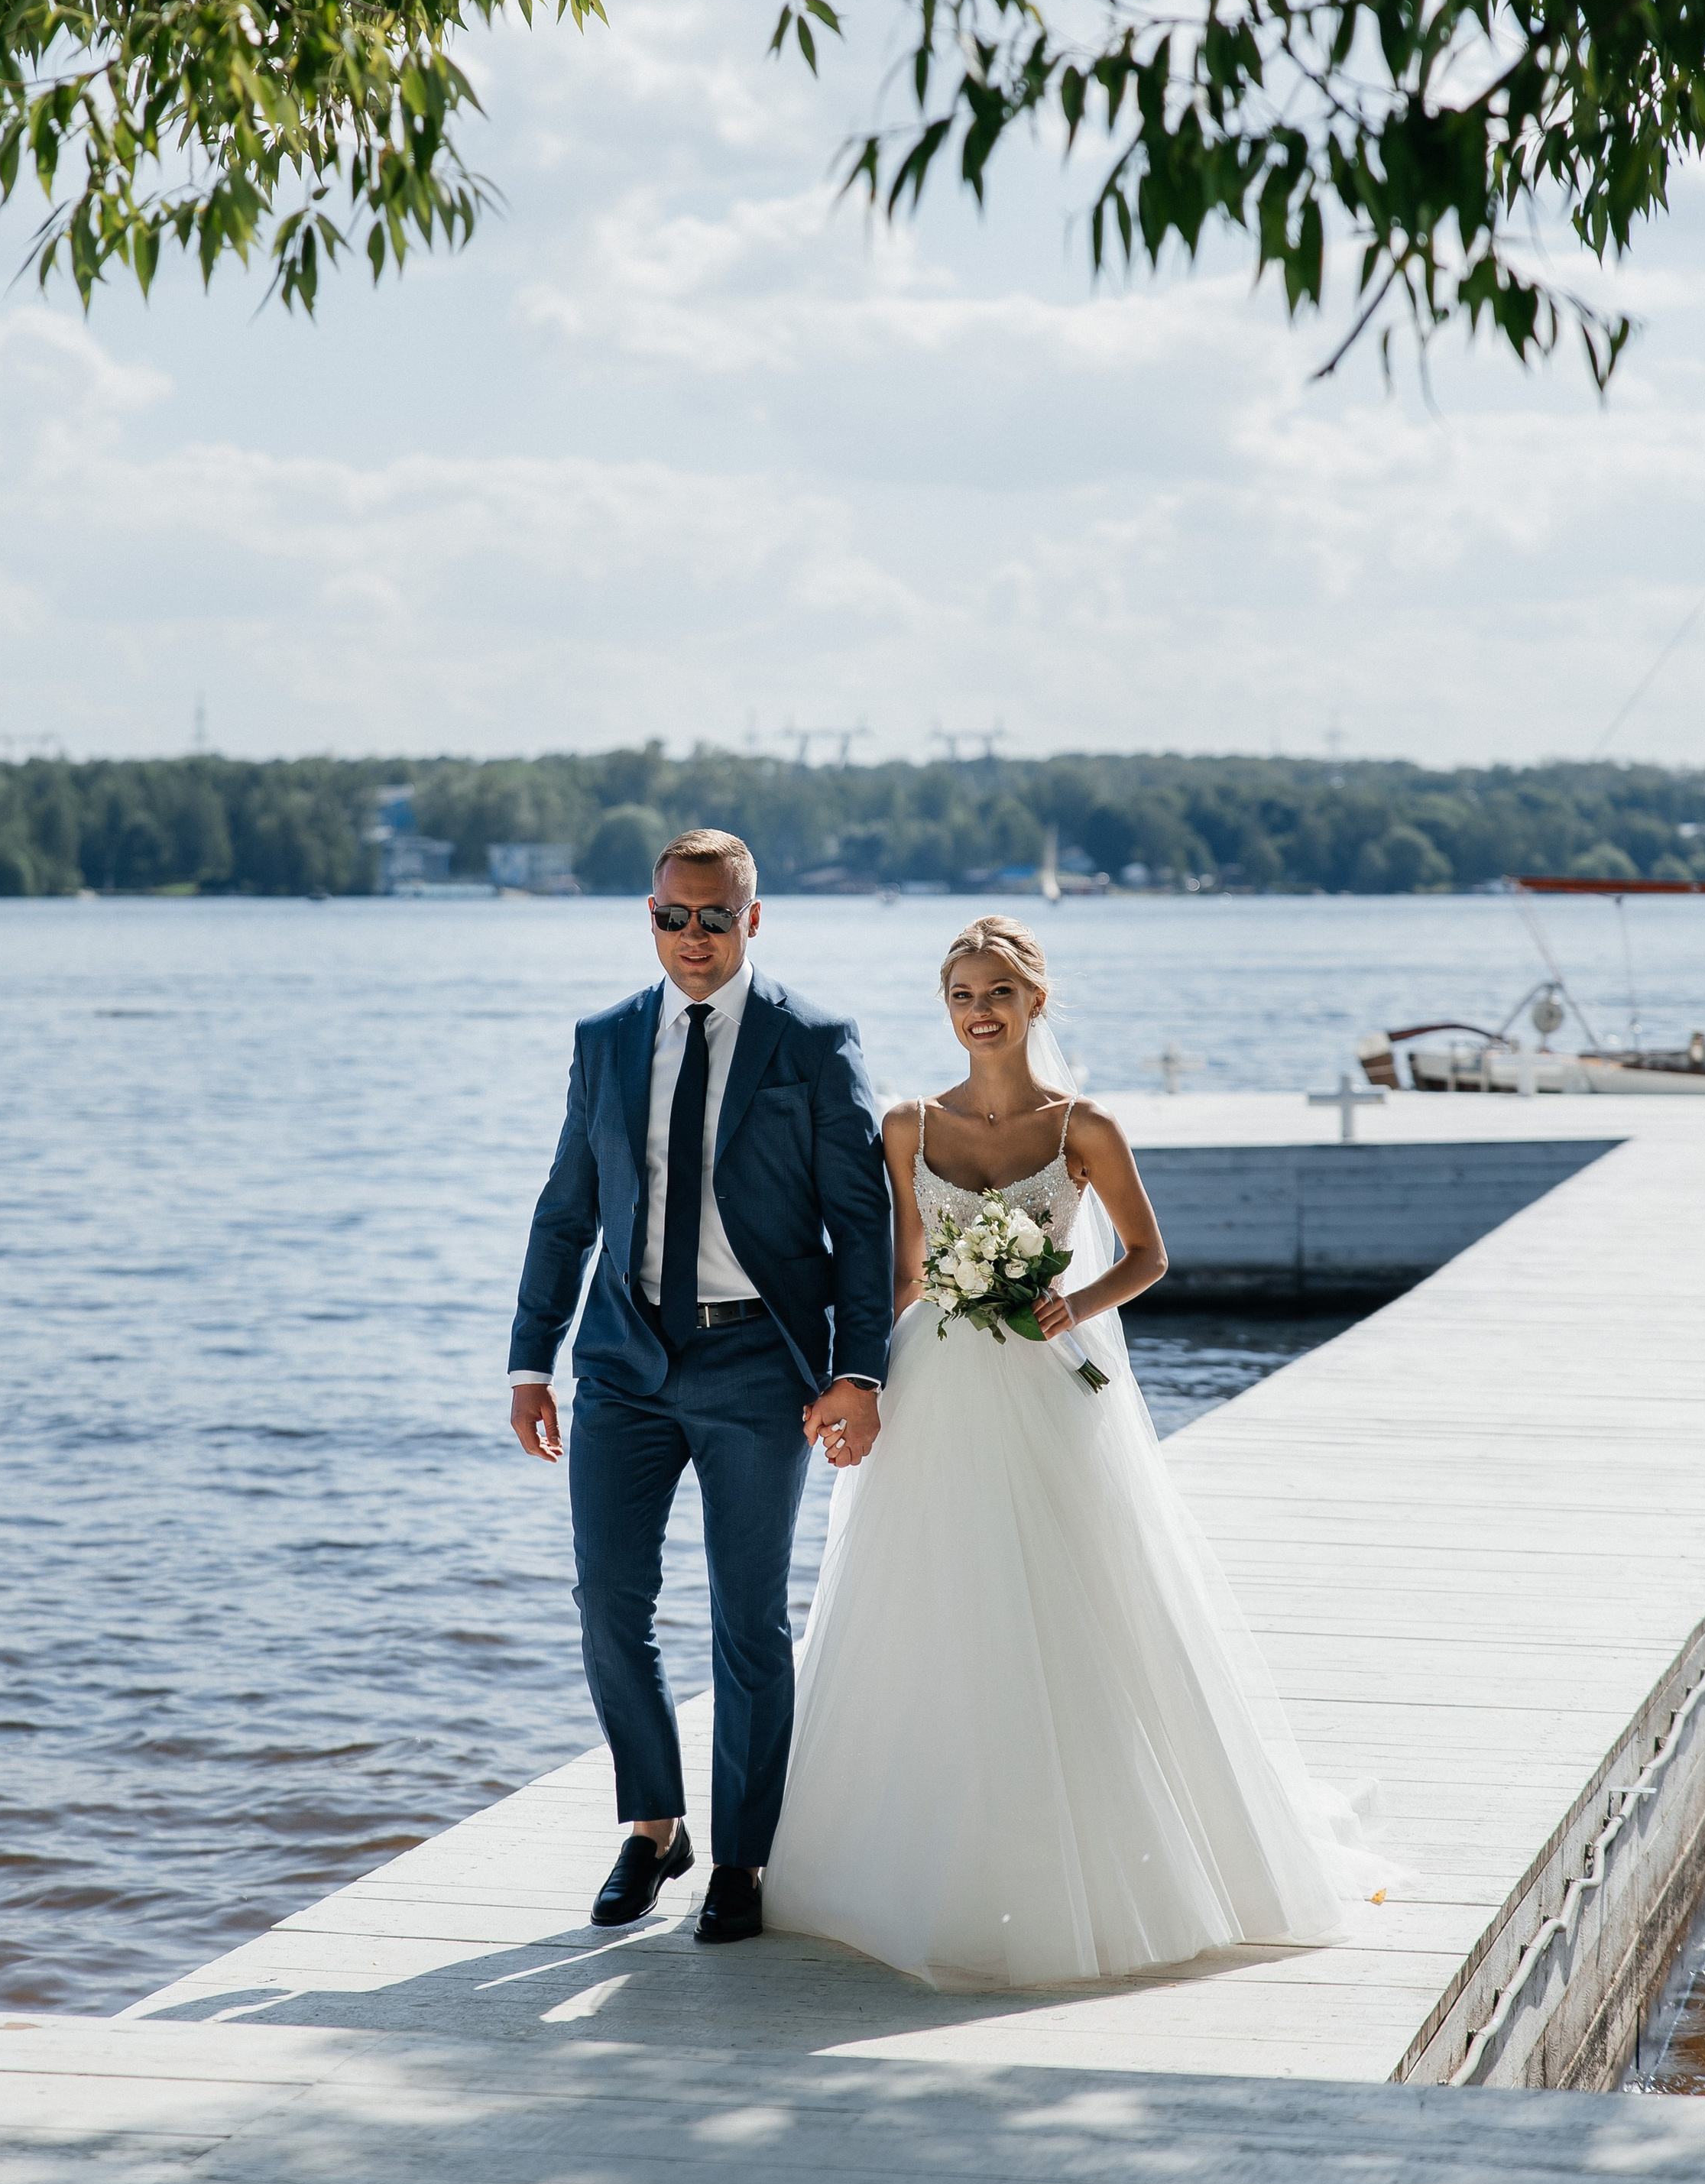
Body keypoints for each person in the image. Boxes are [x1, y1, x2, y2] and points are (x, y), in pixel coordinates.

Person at [766, 914, 1358, 1988]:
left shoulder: (1086, 1127)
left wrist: (1070, 1305)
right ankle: (910, 1856)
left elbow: (1148, 1254)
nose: (978, 1011)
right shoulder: (906, 1124)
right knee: (934, 1598)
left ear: (1035, 1000)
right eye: (961, 994)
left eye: (997, 991)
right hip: (937, 1379)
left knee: (1076, 1593)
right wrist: (853, 1381)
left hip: (1048, 1381)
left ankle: (1101, 1855)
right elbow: (903, 1271)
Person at [507, 828, 892, 1946]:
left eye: (715, 917)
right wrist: (531, 1359)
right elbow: (566, 1211)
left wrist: (858, 1370)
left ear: (752, 920)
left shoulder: (813, 1042)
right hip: (623, 1362)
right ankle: (653, 1824)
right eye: (672, 916)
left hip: (757, 1364)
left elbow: (862, 1223)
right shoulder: (606, 1039)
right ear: (651, 915)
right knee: (608, 1601)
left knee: (747, 1620)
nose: (693, 937)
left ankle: (743, 1856)